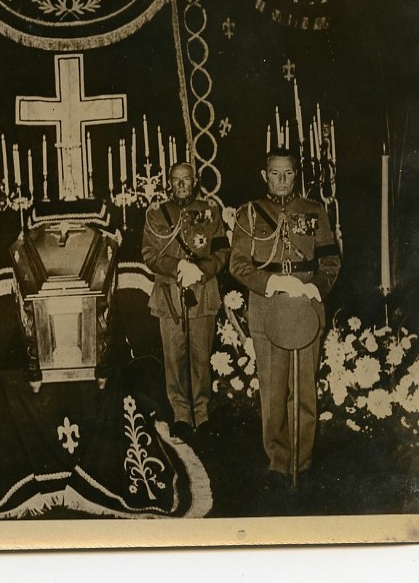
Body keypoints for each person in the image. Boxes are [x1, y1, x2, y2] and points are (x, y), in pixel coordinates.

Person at [229, 150, 341, 487]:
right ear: (264, 175)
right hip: (267, 306)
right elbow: (238, 264)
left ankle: (302, 460)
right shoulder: (248, 215)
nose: (281, 181)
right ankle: (279, 461)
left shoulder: (314, 212)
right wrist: (271, 282)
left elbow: (331, 260)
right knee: (273, 388)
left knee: (305, 388)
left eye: (287, 174)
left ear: (296, 174)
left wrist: (316, 288)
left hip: (305, 304)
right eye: (274, 174)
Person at [141, 162, 230, 441]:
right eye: (175, 180)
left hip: (203, 293)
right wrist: (179, 266)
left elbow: (222, 251)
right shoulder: (156, 214)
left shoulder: (211, 212)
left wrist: (201, 270)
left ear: (195, 182)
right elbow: (149, 254)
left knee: (201, 356)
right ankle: (180, 414)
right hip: (170, 295)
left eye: (186, 180)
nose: (181, 185)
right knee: (174, 357)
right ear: (169, 182)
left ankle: (201, 414)